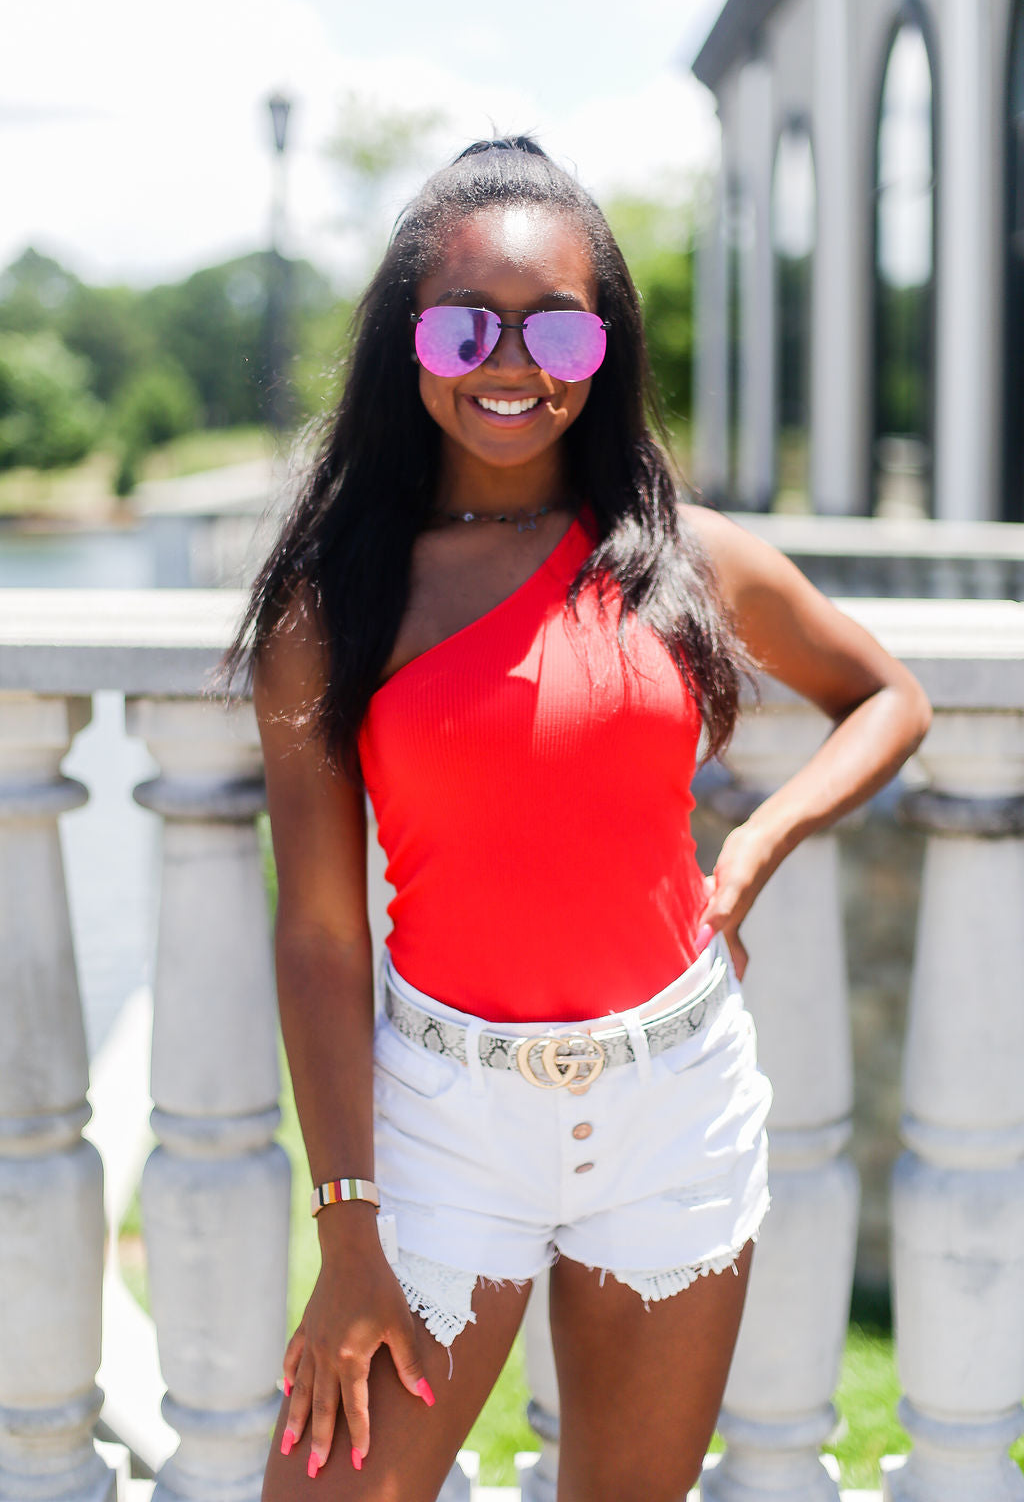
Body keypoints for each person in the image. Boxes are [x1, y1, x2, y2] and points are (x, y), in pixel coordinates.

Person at [231, 136, 931, 1502]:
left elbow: (886, 697)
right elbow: (318, 934)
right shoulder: (334, 606)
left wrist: (759, 845)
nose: (512, 361)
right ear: (408, 345)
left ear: (602, 345)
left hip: (674, 1105)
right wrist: (349, 1228)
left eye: (556, 323)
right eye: (464, 323)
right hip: (445, 1123)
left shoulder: (684, 556)